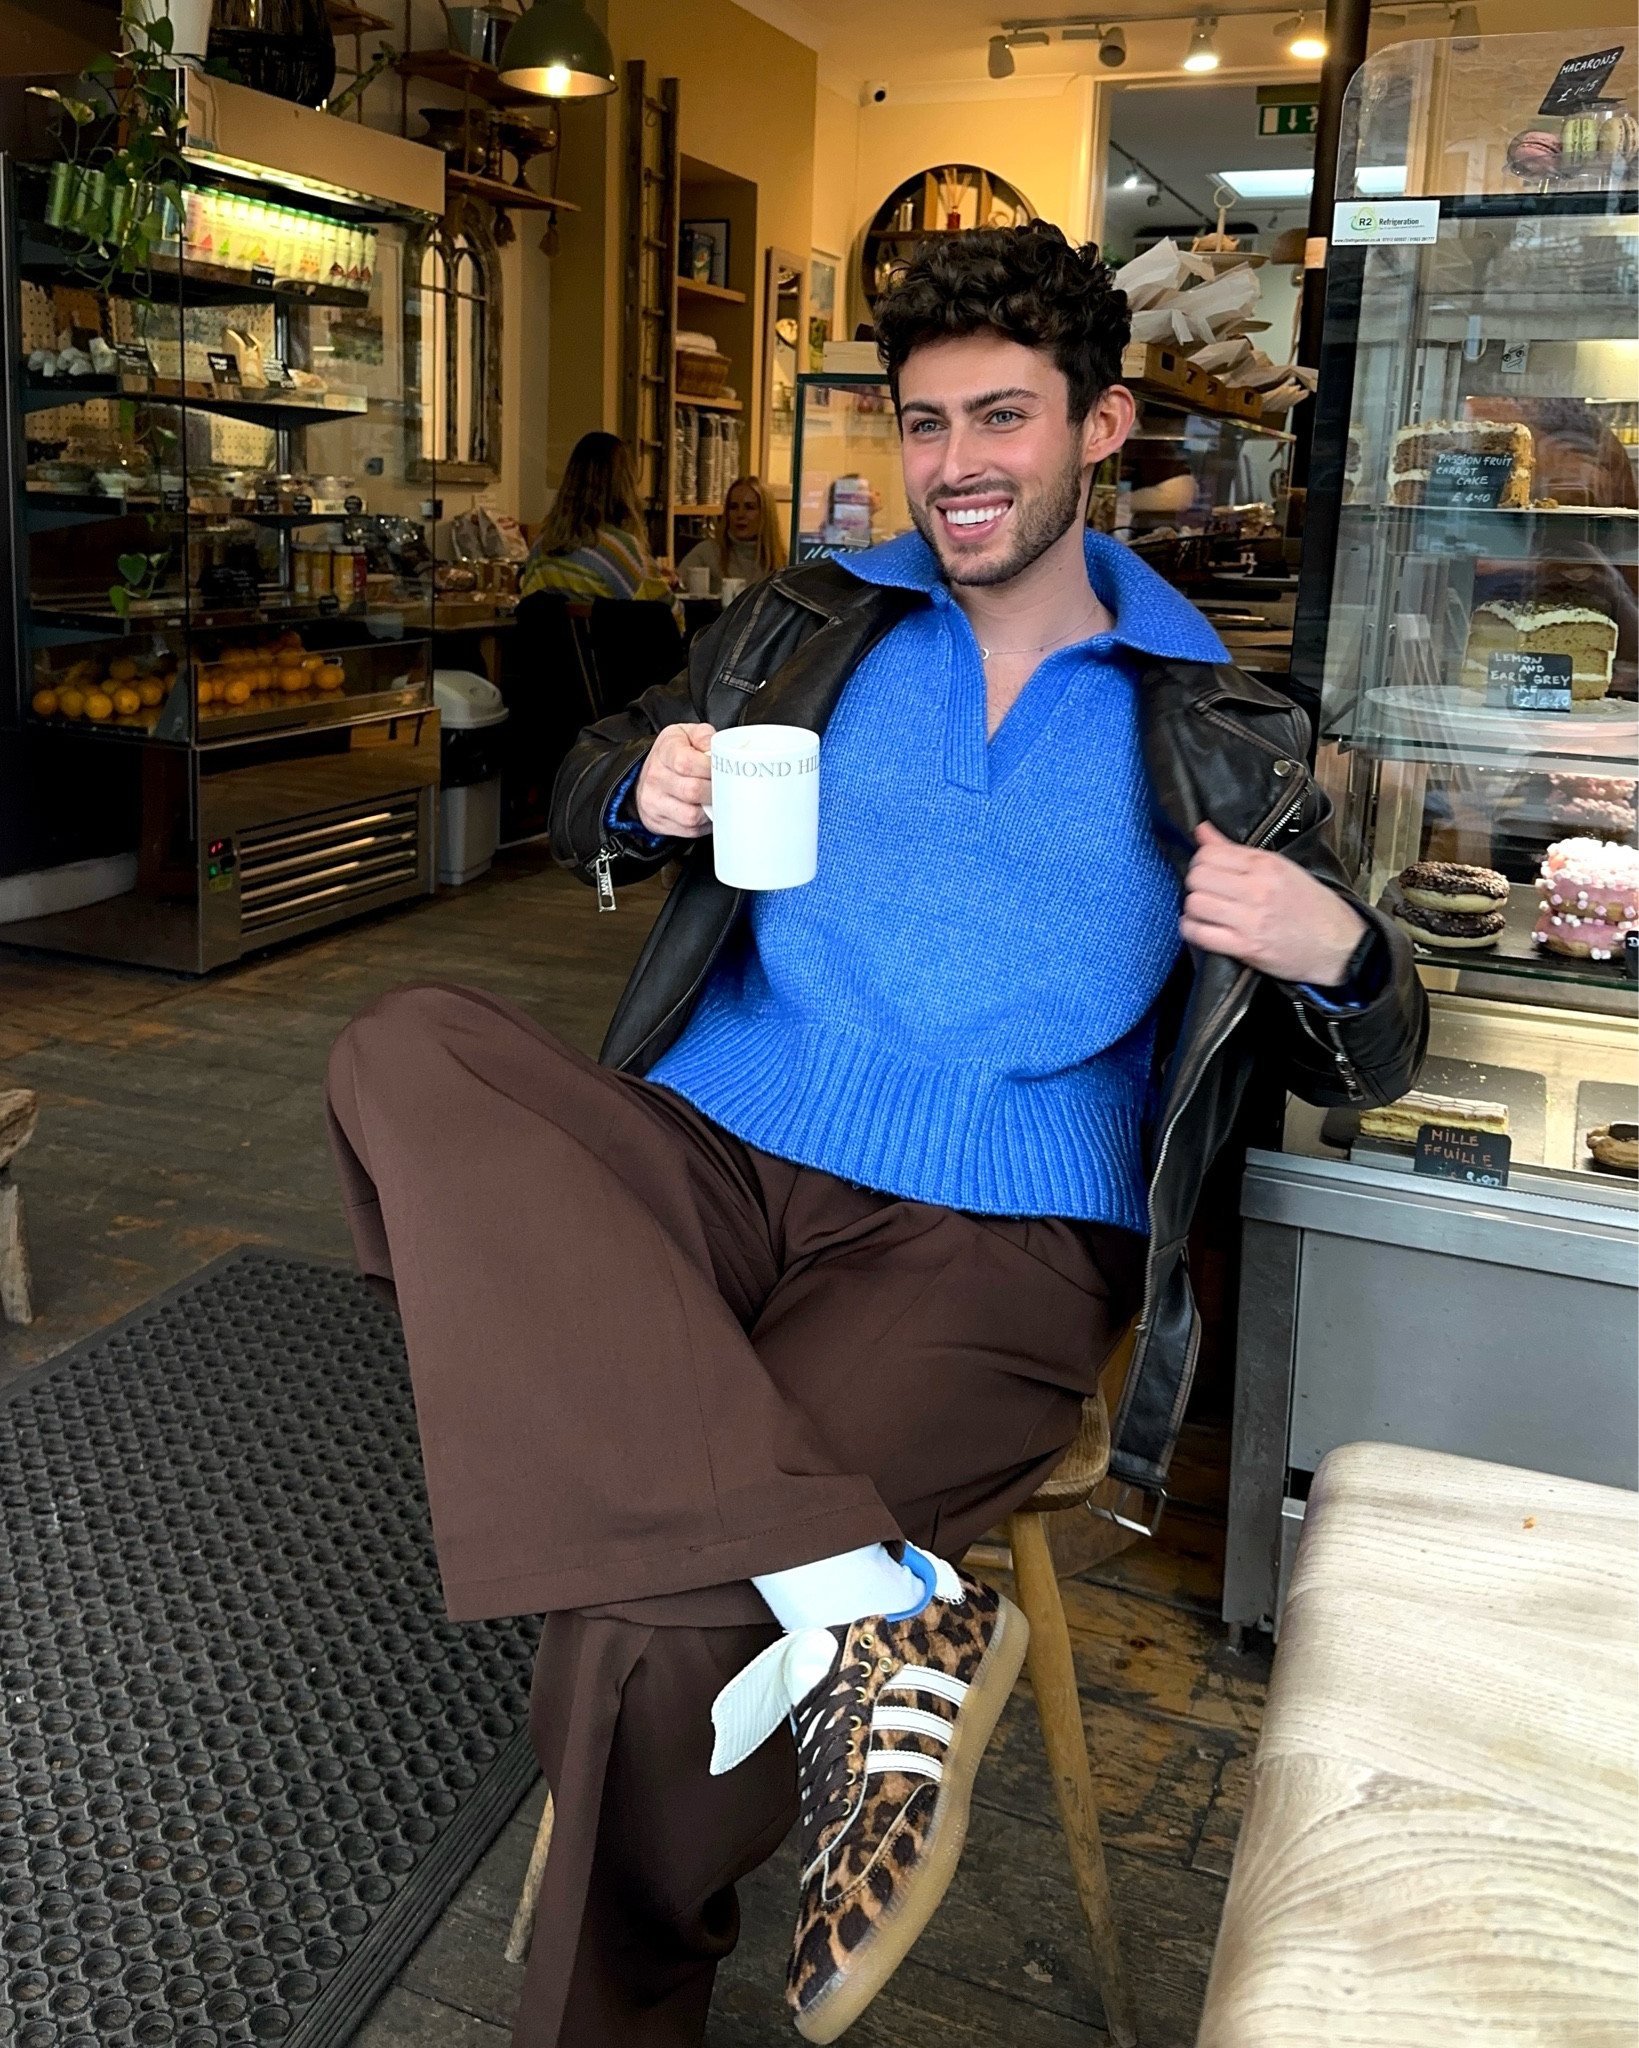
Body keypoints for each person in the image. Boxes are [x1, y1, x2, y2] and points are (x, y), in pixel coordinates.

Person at [326, 224, 1427, 2048]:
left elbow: (1373, 1050)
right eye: (923, 424)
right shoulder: (805, 620)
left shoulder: (1218, 721)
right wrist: (636, 786)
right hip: (711, 1149)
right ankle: (864, 1595)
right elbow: (586, 787)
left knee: (648, 1623)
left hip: (985, 1237)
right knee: (407, 1044)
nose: (955, 463)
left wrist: (1338, 945)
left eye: (1000, 415)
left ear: (1100, 427)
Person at [521, 430, 672, 601]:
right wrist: (659, 577)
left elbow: (528, 607)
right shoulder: (623, 551)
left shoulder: (542, 547)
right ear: (624, 485)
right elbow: (667, 615)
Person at [677, 474, 788, 594]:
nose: (740, 514)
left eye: (749, 507)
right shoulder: (707, 553)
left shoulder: (782, 560)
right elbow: (676, 592)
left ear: (766, 514)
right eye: (733, 507)